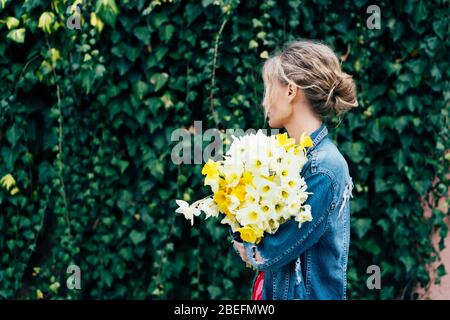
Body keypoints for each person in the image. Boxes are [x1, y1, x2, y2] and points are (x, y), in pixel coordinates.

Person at [233, 39, 357, 300]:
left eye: (269, 89)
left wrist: (240, 229)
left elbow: (269, 252)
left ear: (290, 91)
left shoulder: (324, 168)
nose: (264, 101)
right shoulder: (288, 159)